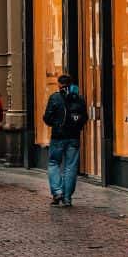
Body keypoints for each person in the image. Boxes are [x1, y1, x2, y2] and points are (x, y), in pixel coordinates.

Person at [43, 74, 86, 206]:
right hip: (73, 137)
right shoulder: (79, 98)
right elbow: (85, 117)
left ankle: (57, 192)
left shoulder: (55, 97)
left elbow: (47, 118)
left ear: (59, 84)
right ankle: (67, 198)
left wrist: (55, 124)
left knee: (53, 163)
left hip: (58, 137)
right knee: (70, 167)